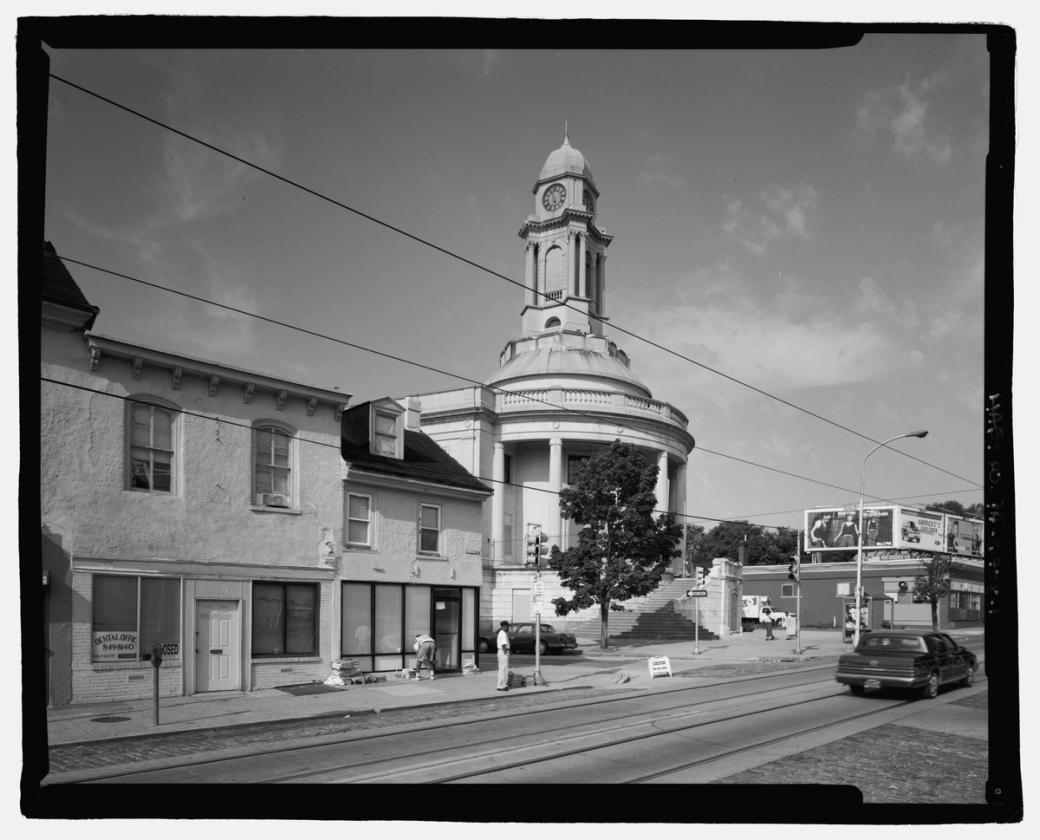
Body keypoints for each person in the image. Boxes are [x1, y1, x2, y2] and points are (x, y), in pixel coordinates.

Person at [496, 620, 511, 691]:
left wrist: (508, 650)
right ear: (504, 626)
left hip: (501, 652)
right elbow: (503, 645)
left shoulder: (501, 633)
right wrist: (506, 652)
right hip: (503, 652)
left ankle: (499, 685)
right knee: (504, 670)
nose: (508, 627)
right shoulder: (503, 634)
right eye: (507, 626)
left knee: (501, 670)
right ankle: (503, 686)